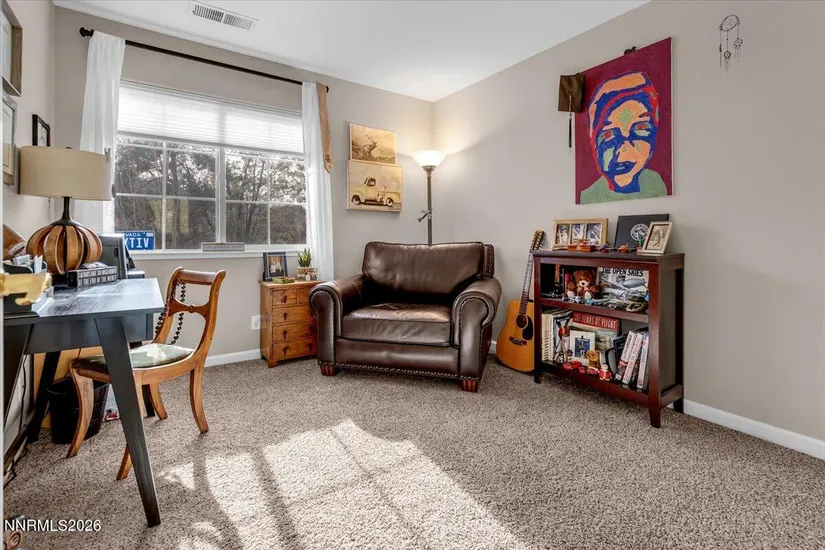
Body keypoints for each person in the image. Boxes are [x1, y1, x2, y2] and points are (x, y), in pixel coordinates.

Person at [579, 71, 668, 204]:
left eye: (640, 128)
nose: (625, 148)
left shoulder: (656, 182)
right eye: (609, 134)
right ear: (594, 142)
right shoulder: (588, 196)